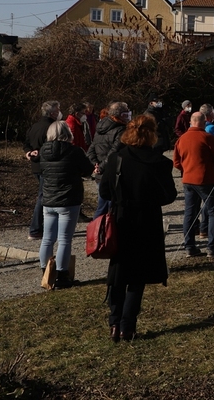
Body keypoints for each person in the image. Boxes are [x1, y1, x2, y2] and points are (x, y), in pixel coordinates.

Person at [100, 115, 177, 342]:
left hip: (121, 219)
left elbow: (104, 191)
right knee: (137, 276)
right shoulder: (159, 162)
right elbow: (169, 195)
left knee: (118, 273)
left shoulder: (116, 159)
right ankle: (127, 326)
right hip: (147, 221)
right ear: (152, 134)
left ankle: (115, 322)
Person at [38, 120, 94, 289]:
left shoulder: (43, 151)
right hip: (68, 200)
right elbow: (88, 169)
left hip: (49, 199)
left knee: (47, 239)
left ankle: (46, 272)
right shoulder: (74, 151)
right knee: (64, 240)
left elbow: (42, 170)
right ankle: (62, 276)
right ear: (67, 133)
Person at [173, 111, 214, 257]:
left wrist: (186, 168)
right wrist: (212, 167)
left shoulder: (182, 139)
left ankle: (189, 246)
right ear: (203, 122)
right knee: (213, 211)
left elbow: (176, 162)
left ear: (191, 122)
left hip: (188, 179)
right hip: (205, 179)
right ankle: (212, 246)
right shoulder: (207, 137)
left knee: (189, 213)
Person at [24, 101, 61, 241]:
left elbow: (26, 143)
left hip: (36, 165)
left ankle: (42, 227)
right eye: (58, 110)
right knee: (43, 197)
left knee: (44, 195)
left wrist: (29, 152)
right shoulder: (52, 127)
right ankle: (35, 229)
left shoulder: (34, 126)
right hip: (47, 166)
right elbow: (51, 147)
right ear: (53, 113)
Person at [87, 101, 130, 217]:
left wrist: (95, 164)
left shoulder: (100, 127)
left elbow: (91, 149)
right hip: (114, 172)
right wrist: (100, 167)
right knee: (112, 207)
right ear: (121, 114)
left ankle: (97, 227)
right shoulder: (121, 129)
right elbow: (115, 151)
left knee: (102, 206)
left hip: (100, 173)